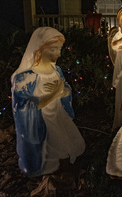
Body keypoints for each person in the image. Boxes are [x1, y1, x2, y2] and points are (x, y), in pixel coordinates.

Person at [11, 27, 85, 177]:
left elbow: (65, 89)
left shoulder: (56, 70)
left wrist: (63, 92)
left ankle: (65, 165)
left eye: (59, 49)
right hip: (42, 122)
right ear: (40, 49)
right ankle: (54, 166)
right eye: (53, 49)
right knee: (62, 150)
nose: (58, 53)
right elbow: (24, 106)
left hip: (58, 114)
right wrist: (54, 93)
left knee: (77, 146)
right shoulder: (26, 78)